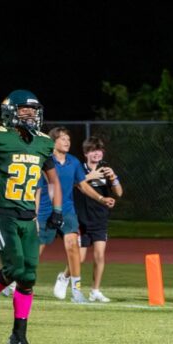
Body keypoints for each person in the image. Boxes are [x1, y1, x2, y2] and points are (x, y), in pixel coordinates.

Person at [0, 90, 63, 344]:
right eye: (24, 109)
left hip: (28, 215)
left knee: (28, 276)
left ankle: (18, 336)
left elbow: (54, 179)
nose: (30, 114)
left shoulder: (43, 142)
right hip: (1, 212)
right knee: (16, 269)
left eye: (34, 109)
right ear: (10, 111)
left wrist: (57, 209)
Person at [44, 127, 115, 303]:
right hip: (45, 209)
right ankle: (15, 281)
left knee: (73, 246)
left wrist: (101, 198)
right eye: (63, 139)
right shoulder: (44, 161)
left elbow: (82, 185)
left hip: (67, 209)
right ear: (54, 142)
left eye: (68, 139)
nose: (67, 142)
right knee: (35, 250)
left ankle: (76, 291)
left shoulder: (73, 162)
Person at [74, 136, 124, 302]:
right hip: (80, 219)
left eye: (99, 150)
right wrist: (90, 176)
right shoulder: (79, 168)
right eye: (92, 150)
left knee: (99, 256)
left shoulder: (106, 169)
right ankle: (66, 278)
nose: (96, 153)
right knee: (79, 258)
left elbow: (119, 193)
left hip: (99, 219)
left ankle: (95, 290)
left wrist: (114, 178)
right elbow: (72, 184)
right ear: (86, 153)